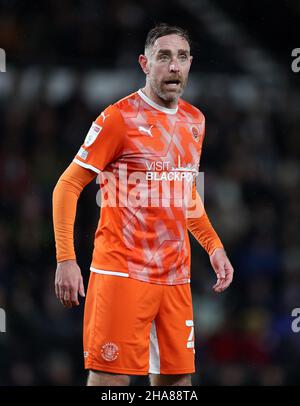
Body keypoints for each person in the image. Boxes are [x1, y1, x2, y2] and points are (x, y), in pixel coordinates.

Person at [52, 23, 234, 386]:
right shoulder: (118, 118)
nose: (174, 66)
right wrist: (66, 259)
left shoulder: (194, 121)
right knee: (111, 383)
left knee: (177, 386)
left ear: (190, 64)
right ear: (144, 63)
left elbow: (184, 194)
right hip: (122, 272)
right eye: (163, 56)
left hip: (175, 278)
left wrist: (213, 245)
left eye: (182, 57)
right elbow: (67, 185)